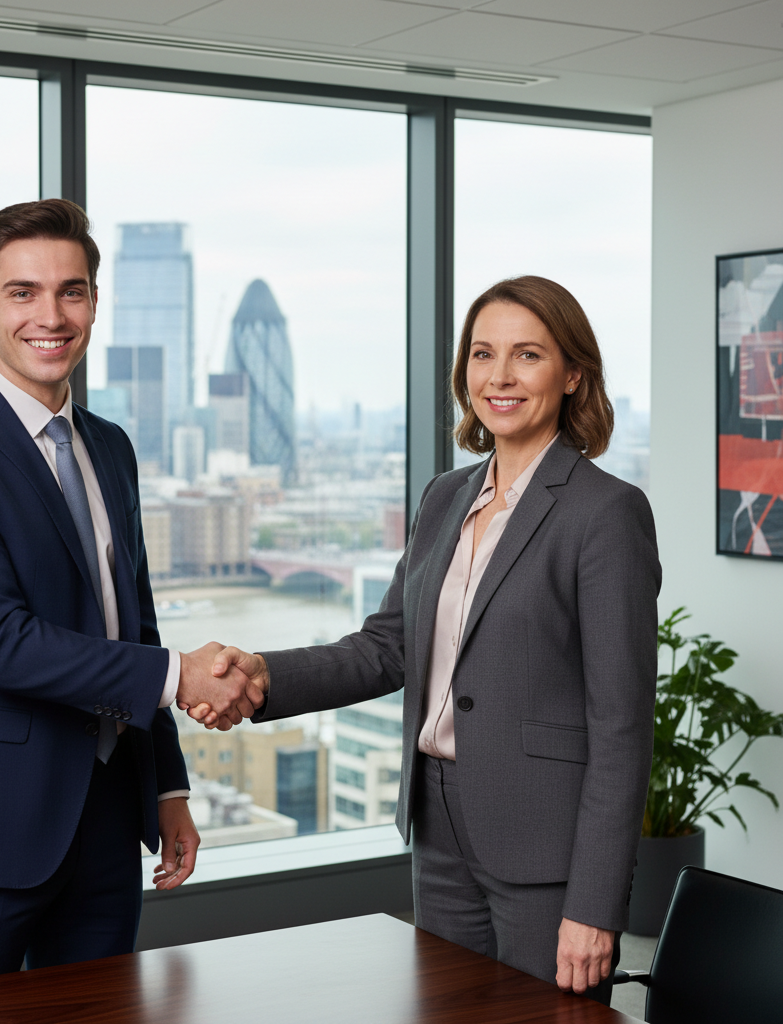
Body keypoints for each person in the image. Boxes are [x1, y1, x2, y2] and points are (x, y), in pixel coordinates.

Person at [192, 276, 660, 1003]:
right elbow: (387, 647)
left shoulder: (606, 513)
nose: (499, 376)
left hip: (544, 839)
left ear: (572, 374)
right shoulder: (445, 497)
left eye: (528, 354)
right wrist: (261, 674)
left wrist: (596, 907)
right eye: (483, 354)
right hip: (437, 823)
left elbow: (622, 728)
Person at [0, 199, 261, 986]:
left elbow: (134, 627)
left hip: (106, 818)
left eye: (70, 291)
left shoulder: (110, 447)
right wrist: (183, 675)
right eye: (22, 293)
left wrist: (166, 786)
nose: (50, 316)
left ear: (93, 302)